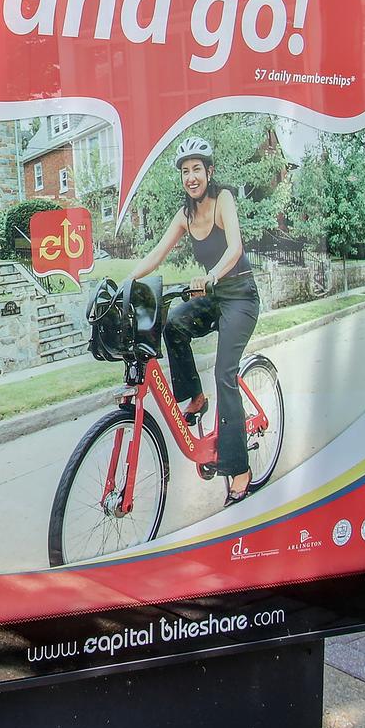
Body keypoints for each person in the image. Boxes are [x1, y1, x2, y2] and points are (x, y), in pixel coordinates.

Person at [130, 136, 263, 505]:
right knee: (173, 323)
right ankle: (196, 397)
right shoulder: (185, 215)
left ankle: (240, 469)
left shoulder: (224, 200)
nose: (191, 177)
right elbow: (156, 254)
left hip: (239, 296)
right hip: (212, 297)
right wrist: (126, 283)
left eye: (197, 170)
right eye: (185, 171)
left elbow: (235, 248)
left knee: (225, 374)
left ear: (209, 171)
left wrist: (213, 276)